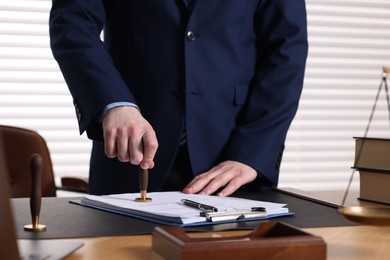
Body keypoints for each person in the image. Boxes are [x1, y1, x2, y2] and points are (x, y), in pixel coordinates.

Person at [49, 0, 308, 196]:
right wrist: (114, 102)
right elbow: (73, 22)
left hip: (234, 162)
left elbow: (287, 50)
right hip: (130, 153)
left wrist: (253, 154)